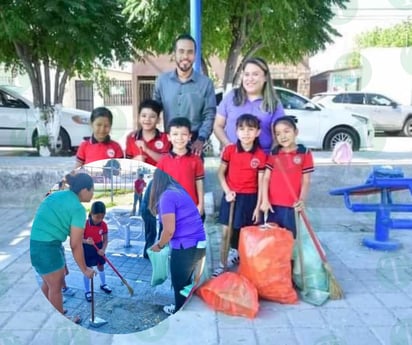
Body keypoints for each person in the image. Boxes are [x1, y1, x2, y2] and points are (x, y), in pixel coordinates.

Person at [30, 173, 95, 324]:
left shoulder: (58, 195)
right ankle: (61, 321)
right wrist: (85, 270)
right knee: (55, 286)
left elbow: (68, 234)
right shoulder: (78, 209)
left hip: (37, 244)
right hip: (47, 247)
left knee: (48, 282)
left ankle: (47, 311)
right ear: (84, 190)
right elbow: (75, 244)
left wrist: (63, 261)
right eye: (92, 190)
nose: (93, 193)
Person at [213, 114, 267, 277]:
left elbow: (261, 184)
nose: (246, 133)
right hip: (231, 197)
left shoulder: (261, 155)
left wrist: (258, 207)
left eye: (251, 129)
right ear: (236, 131)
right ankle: (222, 264)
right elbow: (220, 174)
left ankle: (245, 264)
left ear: (257, 132)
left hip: (250, 199)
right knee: (226, 233)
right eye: (242, 129)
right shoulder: (230, 150)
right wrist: (227, 191)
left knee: (247, 234)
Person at [149, 169, 206, 314]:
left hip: (185, 247)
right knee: (187, 283)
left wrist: (159, 245)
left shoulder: (167, 196)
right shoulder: (180, 190)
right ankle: (182, 309)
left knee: (180, 285)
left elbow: (169, 230)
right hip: (198, 244)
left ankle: (180, 316)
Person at [153, 33, 216, 156]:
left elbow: (209, 115)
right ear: (174, 54)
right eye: (181, 51)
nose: (185, 56)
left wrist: (201, 139)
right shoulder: (162, 81)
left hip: (194, 145)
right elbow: (153, 111)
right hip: (168, 144)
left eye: (190, 52)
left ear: (195, 55)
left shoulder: (206, 84)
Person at [213, 57, 285, 154]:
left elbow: (277, 136)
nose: (250, 79)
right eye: (246, 74)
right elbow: (218, 125)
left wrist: (270, 162)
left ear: (265, 77)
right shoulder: (232, 96)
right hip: (233, 158)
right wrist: (227, 145)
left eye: (255, 74)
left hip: (262, 161)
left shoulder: (274, 103)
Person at [260, 116, 314, 238]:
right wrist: (265, 199)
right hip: (272, 205)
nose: (282, 136)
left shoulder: (304, 153)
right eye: (278, 134)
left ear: (296, 132)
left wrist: (301, 200)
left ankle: (288, 258)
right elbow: (266, 178)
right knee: (271, 237)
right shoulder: (274, 153)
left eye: (286, 131)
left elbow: (306, 180)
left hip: (292, 205)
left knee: (288, 238)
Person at [157, 117, 205, 218]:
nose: (179, 138)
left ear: (189, 136)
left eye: (184, 134)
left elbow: (199, 183)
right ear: (169, 137)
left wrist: (201, 204)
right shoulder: (163, 161)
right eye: (175, 134)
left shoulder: (196, 160)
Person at [125, 99, 171, 166]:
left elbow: (168, 161)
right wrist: (135, 160)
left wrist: (146, 150)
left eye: (152, 116)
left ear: (158, 120)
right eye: (144, 116)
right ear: (139, 118)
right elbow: (126, 163)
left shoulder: (165, 138)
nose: (147, 119)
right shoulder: (131, 138)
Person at [82, 201, 112, 302]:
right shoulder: (85, 224)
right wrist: (86, 241)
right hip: (87, 247)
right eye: (97, 217)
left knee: (101, 266)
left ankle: (103, 284)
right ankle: (87, 291)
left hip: (98, 247)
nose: (99, 219)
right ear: (91, 213)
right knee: (88, 269)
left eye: (102, 217)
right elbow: (78, 239)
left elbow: (105, 239)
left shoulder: (103, 225)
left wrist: (103, 249)